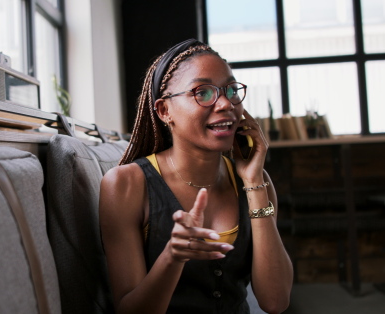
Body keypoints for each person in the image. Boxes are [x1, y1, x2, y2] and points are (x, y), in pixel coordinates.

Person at [99, 39, 293, 314]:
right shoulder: (125, 185)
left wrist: (253, 181)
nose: (226, 103)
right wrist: (172, 257)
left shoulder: (255, 182)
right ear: (165, 111)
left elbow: (275, 301)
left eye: (231, 90)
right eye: (203, 93)